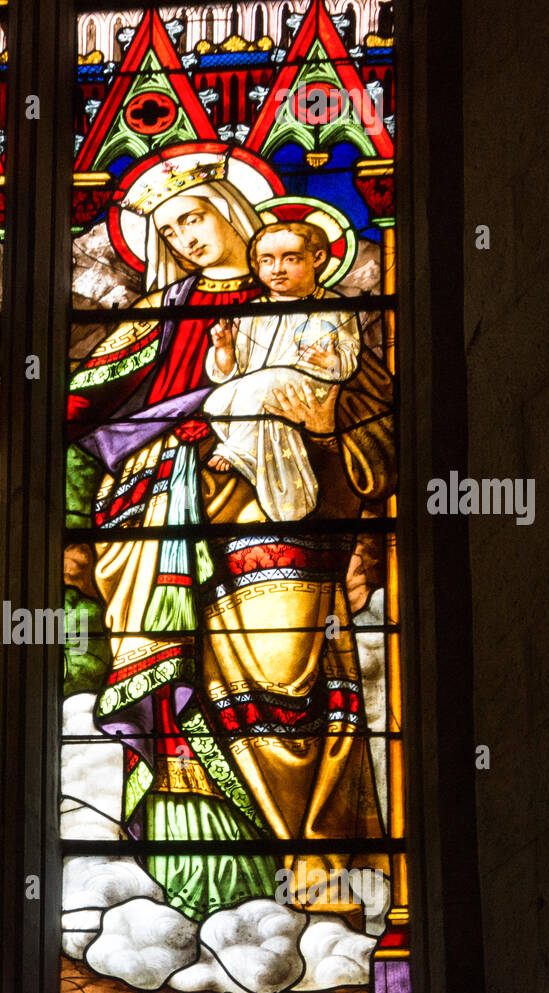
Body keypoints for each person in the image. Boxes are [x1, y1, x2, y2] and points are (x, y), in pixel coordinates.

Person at [68, 153, 395, 925]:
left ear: (235, 214)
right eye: (170, 227)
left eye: (195, 216)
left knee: (286, 679)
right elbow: (79, 418)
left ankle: (312, 864)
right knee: (184, 692)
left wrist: (344, 485)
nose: (185, 237)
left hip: (279, 514)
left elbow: (375, 422)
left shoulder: (312, 311)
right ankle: (208, 884)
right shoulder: (153, 319)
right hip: (156, 519)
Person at [202, 220, 362, 521]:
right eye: (266, 260)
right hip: (259, 396)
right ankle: (289, 496)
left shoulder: (334, 306)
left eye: (291, 258)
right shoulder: (251, 312)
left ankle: (236, 451)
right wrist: (224, 351)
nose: (277, 268)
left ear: (317, 259)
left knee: (269, 381)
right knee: (216, 402)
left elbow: (349, 357)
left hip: (311, 388)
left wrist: (332, 362)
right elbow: (232, 374)